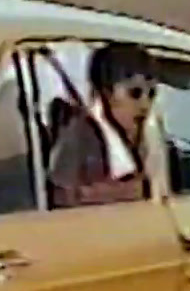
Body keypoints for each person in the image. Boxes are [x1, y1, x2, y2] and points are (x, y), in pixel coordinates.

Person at [46, 43, 154, 208]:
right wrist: (129, 191)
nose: (145, 104)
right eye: (135, 93)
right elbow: (60, 197)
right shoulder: (79, 135)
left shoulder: (140, 137)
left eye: (152, 94)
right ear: (106, 92)